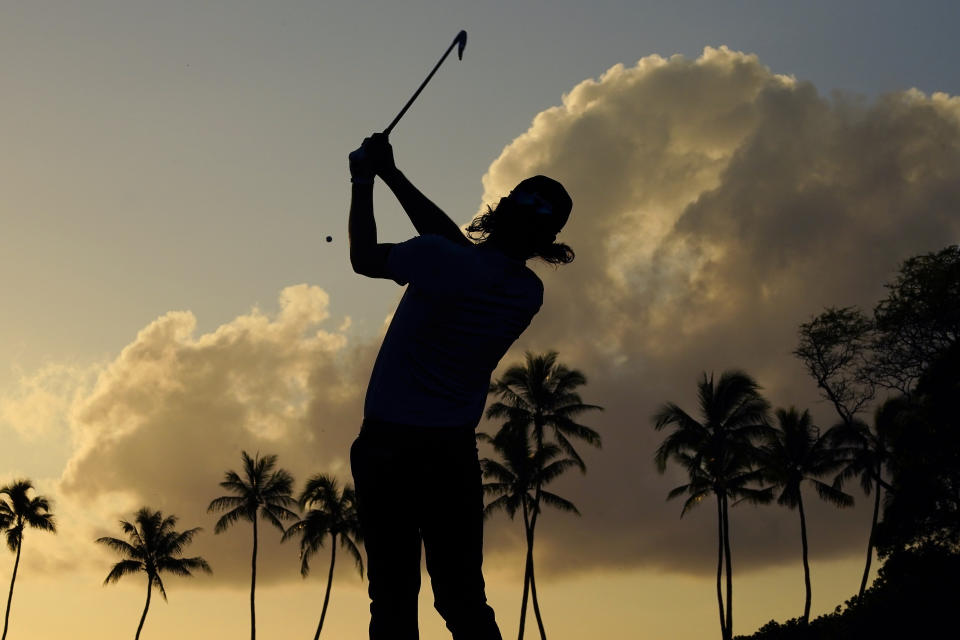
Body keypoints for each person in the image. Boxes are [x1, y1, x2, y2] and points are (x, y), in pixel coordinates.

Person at [347, 133, 574, 640]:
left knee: (392, 599)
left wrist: (365, 179)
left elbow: (364, 257)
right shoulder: (524, 292)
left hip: (387, 447)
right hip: (450, 456)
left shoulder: (440, 258)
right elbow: (452, 247)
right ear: (546, 242)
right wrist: (391, 174)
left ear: (499, 210)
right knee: (463, 598)